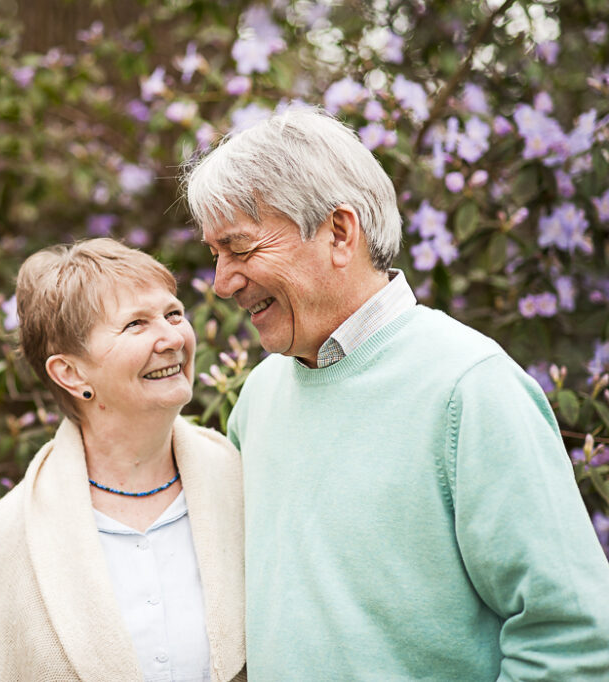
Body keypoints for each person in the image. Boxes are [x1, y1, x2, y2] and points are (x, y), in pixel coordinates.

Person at [183, 106, 609, 681]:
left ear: (339, 232)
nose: (223, 282)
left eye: (241, 249)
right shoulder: (258, 397)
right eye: (216, 256)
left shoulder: (470, 387)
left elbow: (572, 639)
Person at [0, 238, 246, 681]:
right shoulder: (10, 536)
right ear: (70, 373)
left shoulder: (240, 481)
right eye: (136, 324)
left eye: (173, 313)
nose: (171, 338)